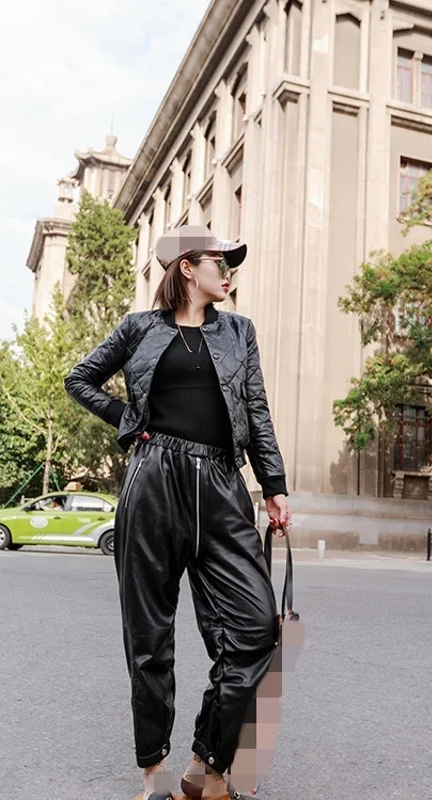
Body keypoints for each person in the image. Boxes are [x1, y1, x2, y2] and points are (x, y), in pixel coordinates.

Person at [64, 225, 291, 800]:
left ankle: (206, 762)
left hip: (221, 483)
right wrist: (127, 419)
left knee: (257, 629)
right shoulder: (139, 328)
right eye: (221, 261)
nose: (229, 270)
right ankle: (155, 775)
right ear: (188, 267)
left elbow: (256, 410)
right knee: (149, 638)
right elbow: (80, 378)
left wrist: (274, 485)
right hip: (154, 480)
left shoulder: (240, 331)